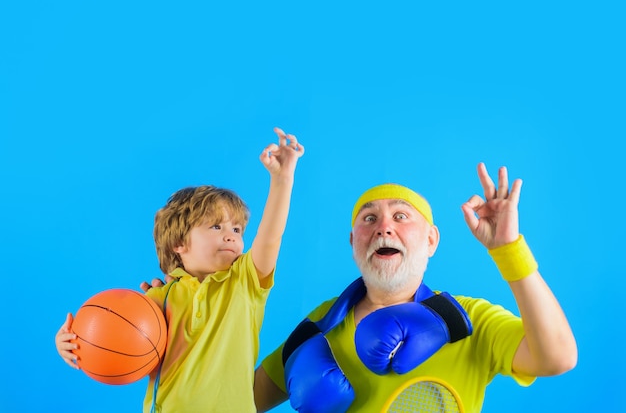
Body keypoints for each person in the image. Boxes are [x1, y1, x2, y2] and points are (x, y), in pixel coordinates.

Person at [253, 163, 577, 413]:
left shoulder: (469, 320)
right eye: (369, 218)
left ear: (431, 240)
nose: (384, 228)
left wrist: (509, 250)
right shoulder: (319, 326)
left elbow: (557, 356)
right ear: (353, 243)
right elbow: (240, 399)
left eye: (400, 215)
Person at [55, 127, 305, 413]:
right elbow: (109, 340)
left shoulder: (245, 282)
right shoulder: (156, 299)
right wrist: (72, 344)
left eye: (236, 229)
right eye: (216, 226)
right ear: (178, 244)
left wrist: (283, 178)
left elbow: (270, 236)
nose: (231, 236)